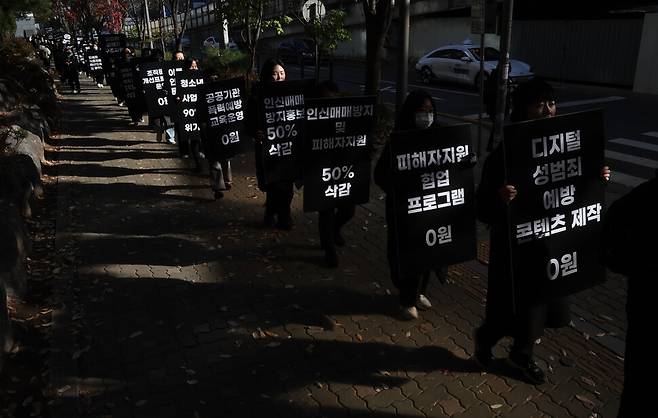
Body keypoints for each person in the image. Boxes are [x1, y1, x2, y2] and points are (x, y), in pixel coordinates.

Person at [473, 78, 611, 384]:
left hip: (553, 244)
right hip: (517, 250)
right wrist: (500, 198)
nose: (548, 110)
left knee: (544, 307)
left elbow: (577, 186)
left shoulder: (568, 145)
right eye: (539, 104)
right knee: (510, 310)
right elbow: (481, 206)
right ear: (523, 108)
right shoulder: (506, 153)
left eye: (551, 103)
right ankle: (486, 339)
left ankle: (521, 354)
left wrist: (597, 177)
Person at [374, 90, 453, 320]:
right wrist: (401, 188)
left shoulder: (440, 136)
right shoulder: (398, 140)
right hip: (404, 213)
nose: (426, 116)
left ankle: (418, 293)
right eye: (421, 111)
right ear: (411, 113)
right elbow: (380, 175)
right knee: (405, 257)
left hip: (431, 209)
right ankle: (407, 299)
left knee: (428, 255)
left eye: (430, 111)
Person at [600, 169, 657, 417]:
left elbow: (608, 243)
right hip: (645, 308)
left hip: (646, 308)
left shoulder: (643, 197)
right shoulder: (642, 198)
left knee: (639, 390)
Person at [313, 81, 357, 268]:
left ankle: (334, 230)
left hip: (344, 171)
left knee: (348, 209)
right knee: (326, 211)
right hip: (322, 172)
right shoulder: (313, 118)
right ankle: (329, 248)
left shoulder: (347, 115)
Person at [252, 58, 295, 230]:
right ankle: (273, 214)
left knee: (287, 186)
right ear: (267, 76)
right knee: (274, 186)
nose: (279, 77)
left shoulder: (292, 94)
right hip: (267, 149)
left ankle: (284, 216)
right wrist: (256, 131)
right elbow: (249, 121)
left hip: (288, 148)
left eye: (282, 73)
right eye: (275, 74)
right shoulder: (257, 95)